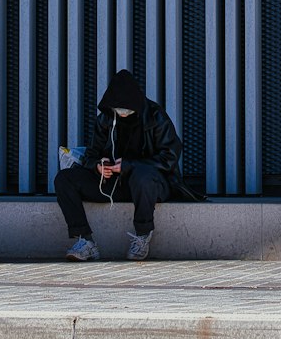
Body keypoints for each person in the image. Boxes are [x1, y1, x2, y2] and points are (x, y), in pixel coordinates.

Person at [53, 68, 196, 261]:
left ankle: (143, 235)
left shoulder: (155, 116)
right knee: (64, 179)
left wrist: (128, 165)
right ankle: (85, 241)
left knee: (142, 175)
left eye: (125, 107)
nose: (121, 111)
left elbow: (169, 158)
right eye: (117, 107)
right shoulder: (105, 118)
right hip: (114, 184)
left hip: (151, 185)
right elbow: (90, 154)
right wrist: (98, 165)